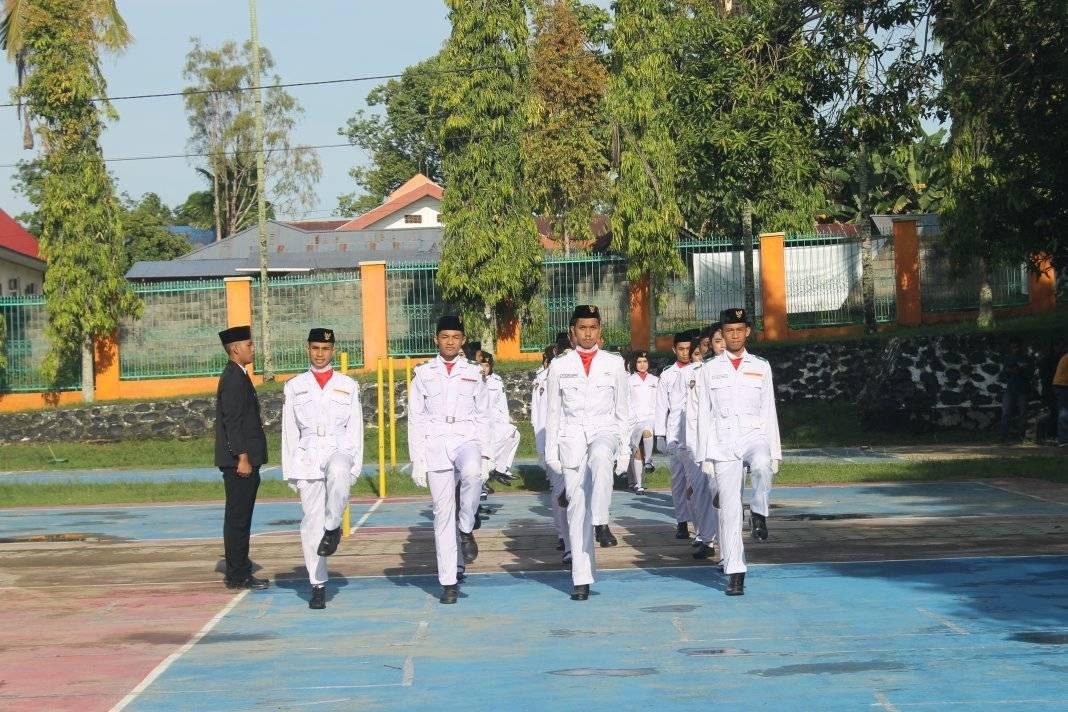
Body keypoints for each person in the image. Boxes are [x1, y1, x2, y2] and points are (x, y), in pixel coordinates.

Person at [693, 308, 781, 596]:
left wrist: (775, 451)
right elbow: (703, 414)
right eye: (729, 331)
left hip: (754, 434)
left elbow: (769, 410)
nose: (734, 335)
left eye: (739, 330)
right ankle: (735, 571)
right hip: (722, 440)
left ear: (747, 332)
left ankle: (759, 511)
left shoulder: (761, 366)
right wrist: (704, 455)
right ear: (722, 333)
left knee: (762, 465)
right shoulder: (709, 368)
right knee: (729, 510)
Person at [545, 305, 630, 601]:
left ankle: (602, 522)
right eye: (583, 327)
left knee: (602, 455)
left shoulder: (614, 363)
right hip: (571, 440)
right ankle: (581, 578)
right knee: (577, 510)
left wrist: (625, 450)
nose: (588, 333)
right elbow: (552, 413)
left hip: (604, 430)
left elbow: (623, 411)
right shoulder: (559, 365)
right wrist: (551, 454)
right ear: (573, 332)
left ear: (600, 330)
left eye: (593, 327)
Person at [407, 315, 491, 604]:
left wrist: (486, 454)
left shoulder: (474, 372)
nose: (450, 342)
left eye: (456, 337)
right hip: (435, 441)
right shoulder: (423, 373)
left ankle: (466, 528)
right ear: (436, 340)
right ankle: (449, 582)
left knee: (473, 473)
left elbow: (483, 415)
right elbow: (416, 419)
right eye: (445, 337)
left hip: (466, 437)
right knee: (442, 514)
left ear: (463, 340)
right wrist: (418, 460)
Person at [280, 328, 364, 610]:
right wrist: (290, 470)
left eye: (325, 349)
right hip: (307, 454)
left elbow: (355, 428)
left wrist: (355, 466)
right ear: (308, 349)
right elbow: (289, 431)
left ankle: (333, 526)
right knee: (311, 523)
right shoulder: (295, 386)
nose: (320, 354)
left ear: (333, 350)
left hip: (339, 447)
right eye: (315, 348)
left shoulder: (348, 385)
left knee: (339, 470)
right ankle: (317, 584)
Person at [214, 325, 269, 591]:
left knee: (241, 518)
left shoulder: (238, 374)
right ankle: (238, 574)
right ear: (235, 349)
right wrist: (243, 457)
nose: (252, 349)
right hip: (239, 462)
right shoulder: (233, 378)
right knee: (238, 519)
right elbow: (233, 422)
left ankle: (239, 569)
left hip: (243, 458)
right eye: (249, 344)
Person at [655, 331, 695, 541]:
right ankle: (682, 521)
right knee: (678, 479)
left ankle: (701, 523)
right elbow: (661, 406)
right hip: (675, 432)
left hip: (695, 431)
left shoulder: (700, 370)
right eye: (681, 349)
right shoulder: (668, 374)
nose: (685, 353)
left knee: (695, 480)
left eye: (688, 349)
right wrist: (660, 435)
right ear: (674, 350)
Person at [532, 345, 570, 561]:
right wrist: (542, 450)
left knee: (582, 492)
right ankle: (565, 539)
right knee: (560, 491)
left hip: (579, 442)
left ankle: (581, 535)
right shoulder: (544, 379)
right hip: (554, 443)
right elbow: (539, 418)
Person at [481, 352, 521, 484]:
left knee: (514, 434)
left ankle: (500, 469)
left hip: (495, 420)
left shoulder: (496, 380)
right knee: (489, 446)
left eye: (487, 365)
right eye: (482, 365)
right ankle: (489, 469)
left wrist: (505, 422)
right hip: (481, 421)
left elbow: (502, 404)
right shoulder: (474, 379)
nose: (484, 368)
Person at [626, 350, 659, 494]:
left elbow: (659, 401)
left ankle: (649, 461)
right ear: (635, 363)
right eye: (639, 362)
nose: (642, 364)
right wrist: (631, 417)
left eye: (645, 361)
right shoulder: (629, 381)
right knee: (636, 451)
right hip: (634, 420)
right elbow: (626, 401)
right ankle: (639, 484)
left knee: (647, 431)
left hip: (650, 418)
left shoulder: (655, 380)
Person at [998, 338, 1033, 440]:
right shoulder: (1008, 359)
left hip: (1023, 389)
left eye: (1016, 347)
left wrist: (1017, 369)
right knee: (1006, 413)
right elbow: (1004, 374)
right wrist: (1014, 369)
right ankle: (1004, 435)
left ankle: (1021, 435)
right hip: (1011, 389)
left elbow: (1029, 374)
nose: (1014, 349)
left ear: (1021, 347)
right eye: (1012, 347)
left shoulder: (1027, 359)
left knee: (1023, 413)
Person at [1055, 347, 1068, 447]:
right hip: (1063, 386)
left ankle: (1063, 440)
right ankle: (1064, 440)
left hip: (1060, 385)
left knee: (1064, 411)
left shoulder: (1065, 357)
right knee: (1064, 412)